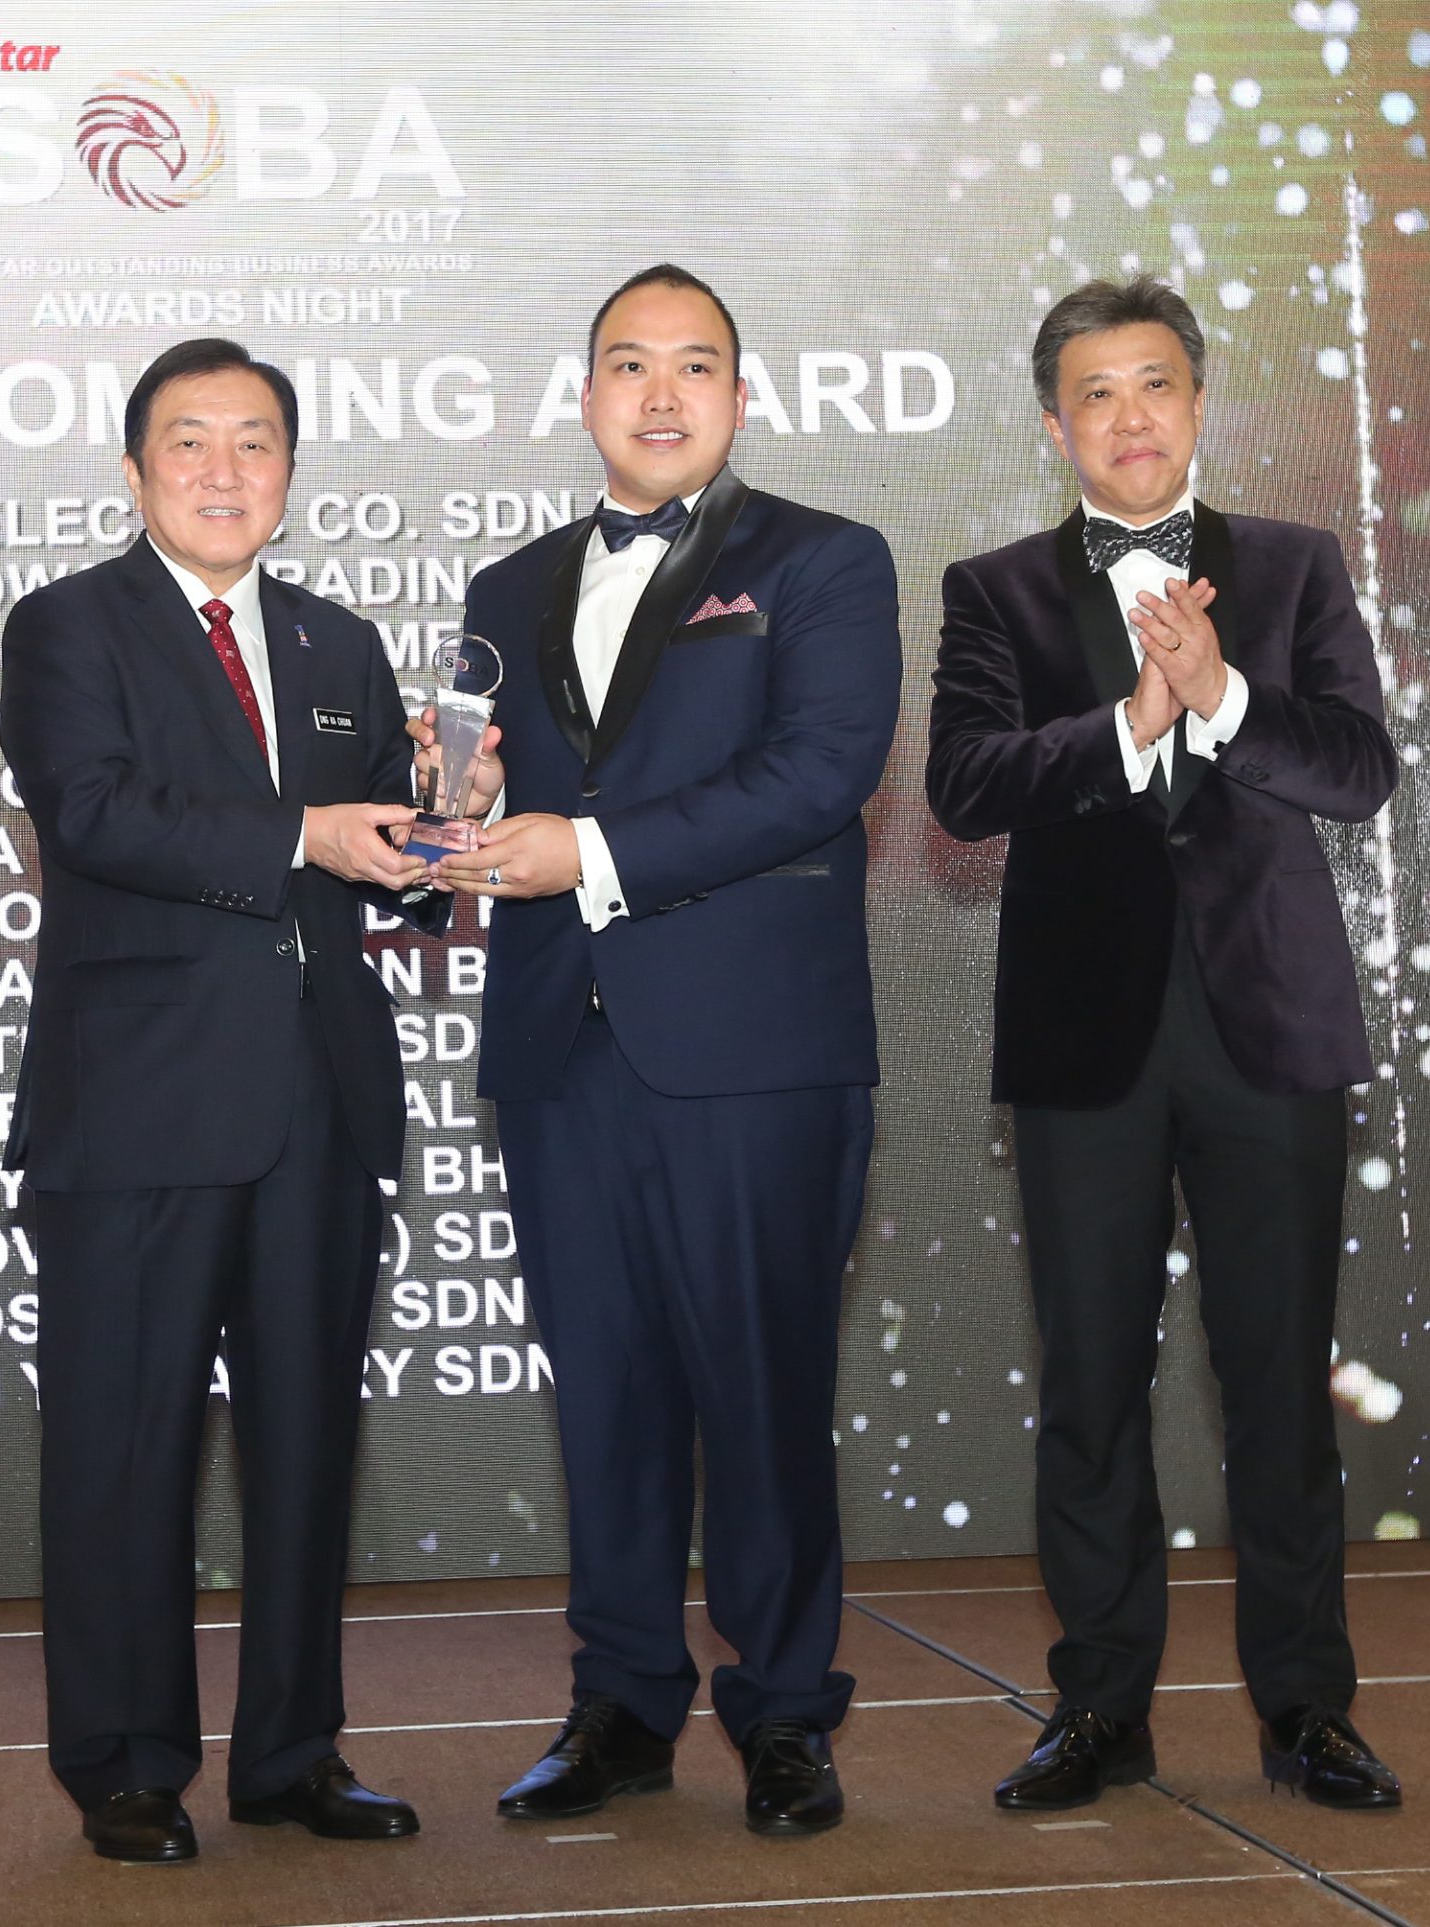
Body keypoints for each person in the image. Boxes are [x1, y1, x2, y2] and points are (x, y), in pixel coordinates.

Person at [417, 264, 901, 1836]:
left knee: (763, 1390)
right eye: (630, 364)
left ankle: (786, 1712)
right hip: (563, 1047)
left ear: (741, 399)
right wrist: (460, 808)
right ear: (587, 399)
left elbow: (821, 772)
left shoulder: (824, 561)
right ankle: (622, 1704)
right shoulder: (505, 590)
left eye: (696, 364)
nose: (662, 392)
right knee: (606, 1398)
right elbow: (486, 797)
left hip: (752, 1052)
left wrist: (591, 852)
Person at [924, 275, 1406, 1813]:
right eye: (1097, 393)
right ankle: (1100, 1708)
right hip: (1087, 1037)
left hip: (1270, 1027)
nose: (1129, 418)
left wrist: (1224, 696)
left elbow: (1360, 770)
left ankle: (1309, 1710)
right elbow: (964, 787)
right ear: (1053, 422)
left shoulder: (1297, 565)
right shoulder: (995, 590)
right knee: (1090, 1388)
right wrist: (1133, 718)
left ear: (1198, 403)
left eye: (1155, 386)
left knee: (1279, 1385)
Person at [0, 338, 430, 1863]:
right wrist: (308, 831)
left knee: (306, 1446)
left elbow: (387, 859)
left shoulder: (337, 642)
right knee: (126, 1446)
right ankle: (124, 1763)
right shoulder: (68, 626)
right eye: (191, 441)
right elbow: (96, 811)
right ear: (134, 472)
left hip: (318, 1099)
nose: (225, 469)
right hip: (139, 1104)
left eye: (256, 442)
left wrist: (449, 822)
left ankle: (292, 1754)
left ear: (291, 475)